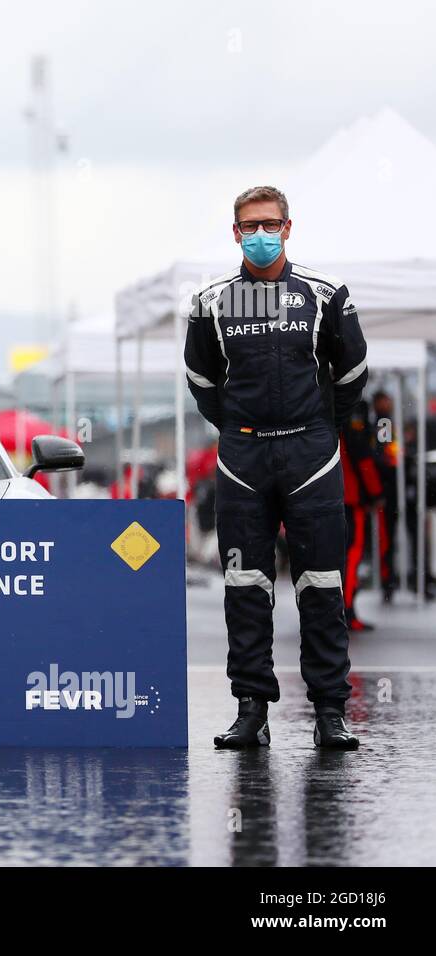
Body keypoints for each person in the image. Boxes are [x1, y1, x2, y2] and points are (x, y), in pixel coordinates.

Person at [184, 185, 365, 750]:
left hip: (311, 455)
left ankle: (331, 711)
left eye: (270, 224)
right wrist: (238, 431)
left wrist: (320, 428)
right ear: (234, 233)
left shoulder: (325, 294)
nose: (260, 235)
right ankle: (251, 710)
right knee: (244, 585)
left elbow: (353, 372)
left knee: (320, 583)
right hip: (243, 457)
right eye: (248, 226)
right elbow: (202, 381)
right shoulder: (211, 301)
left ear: (288, 228)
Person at [340, 399, 384, 631]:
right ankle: (346, 610)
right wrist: (376, 492)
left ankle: (339, 611)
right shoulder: (354, 407)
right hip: (350, 497)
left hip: (324, 493)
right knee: (351, 555)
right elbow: (362, 456)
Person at [371, 390, 399, 602]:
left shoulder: (382, 421)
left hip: (386, 487)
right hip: (386, 488)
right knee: (386, 538)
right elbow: (385, 452)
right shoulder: (384, 422)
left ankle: (388, 579)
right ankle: (387, 580)